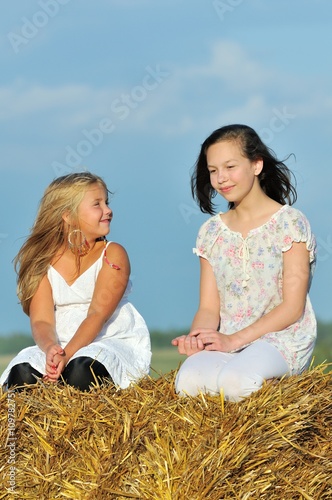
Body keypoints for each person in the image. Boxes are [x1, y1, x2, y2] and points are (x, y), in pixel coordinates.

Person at [172, 124, 317, 402]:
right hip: (227, 338)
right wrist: (199, 336)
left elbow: (292, 307)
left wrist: (234, 341)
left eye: (230, 166)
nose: (221, 179)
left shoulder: (290, 223)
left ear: (256, 165)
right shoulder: (211, 232)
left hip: (281, 336)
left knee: (237, 383)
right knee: (189, 384)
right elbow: (208, 307)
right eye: (213, 170)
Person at [0, 172, 151, 391]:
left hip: (105, 339)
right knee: (23, 373)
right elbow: (42, 321)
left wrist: (68, 354)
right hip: (59, 342)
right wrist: (51, 348)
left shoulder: (112, 254)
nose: (108, 210)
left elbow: (97, 315)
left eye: (106, 202)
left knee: (81, 370)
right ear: (68, 216)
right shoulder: (42, 261)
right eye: (97, 204)